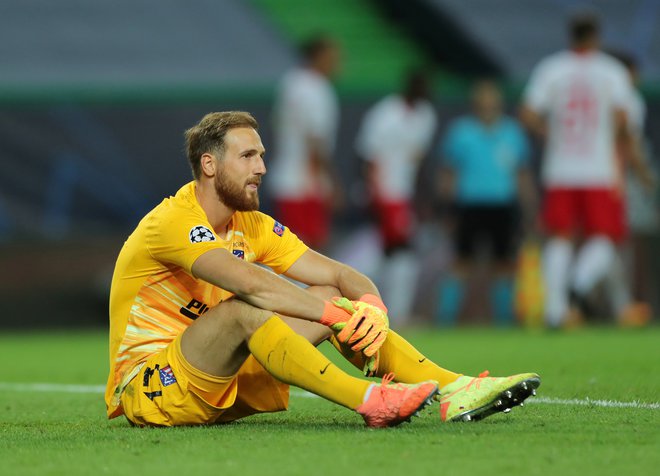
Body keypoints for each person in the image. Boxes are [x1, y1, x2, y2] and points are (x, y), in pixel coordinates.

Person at [105, 111, 541, 428]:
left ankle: (454, 388)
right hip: (153, 387)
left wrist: (371, 307)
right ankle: (371, 400)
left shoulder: (251, 225)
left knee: (333, 296)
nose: (262, 168)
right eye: (248, 156)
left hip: (222, 382)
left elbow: (337, 274)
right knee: (246, 306)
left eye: (262, 155)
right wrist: (332, 318)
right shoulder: (174, 220)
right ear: (209, 164)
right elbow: (248, 282)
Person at [519, 13, 653, 327]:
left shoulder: (552, 68)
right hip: (599, 169)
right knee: (605, 237)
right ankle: (577, 288)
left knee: (560, 237)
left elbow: (527, 113)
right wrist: (636, 166)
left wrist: (548, 134)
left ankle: (555, 309)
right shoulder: (611, 71)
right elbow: (623, 120)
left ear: (571, 35)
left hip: (560, 168)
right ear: (596, 36)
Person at [436, 80, 535, 326]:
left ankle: (504, 321)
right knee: (462, 263)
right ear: (475, 105)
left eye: (492, 102)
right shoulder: (461, 133)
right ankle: (445, 321)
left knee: (503, 264)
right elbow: (449, 173)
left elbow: (521, 174)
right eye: (483, 103)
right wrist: (447, 208)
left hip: (503, 205)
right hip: (469, 204)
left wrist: (530, 209)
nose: (488, 107)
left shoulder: (513, 133)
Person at [354, 69, 438, 324]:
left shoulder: (426, 117)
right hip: (386, 193)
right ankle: (397, 314)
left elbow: (419, 160)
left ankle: (379, 309)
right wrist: (373, 193)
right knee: (401, 251)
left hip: (404, 194)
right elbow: (367, 156)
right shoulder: (385, 114)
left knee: (393, 252)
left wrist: (423, 198)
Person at [268, 34, 342, 251]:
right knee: (309, 255)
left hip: (286, 178)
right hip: (306, 184)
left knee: (288, 253)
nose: (336, 64)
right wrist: (330, 182)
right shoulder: (317, 88)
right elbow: (315, 139)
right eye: (333, 57)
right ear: (318, 56)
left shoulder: (290, 82)